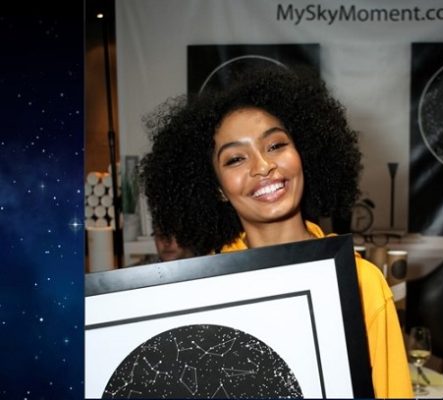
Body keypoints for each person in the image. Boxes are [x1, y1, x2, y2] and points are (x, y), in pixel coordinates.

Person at [138, 66, 413, 398]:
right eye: (236, 159)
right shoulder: (202, 292)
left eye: (275, 145)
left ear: (303, 154)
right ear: (218, 188)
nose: (262, 166)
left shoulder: (359, 283)